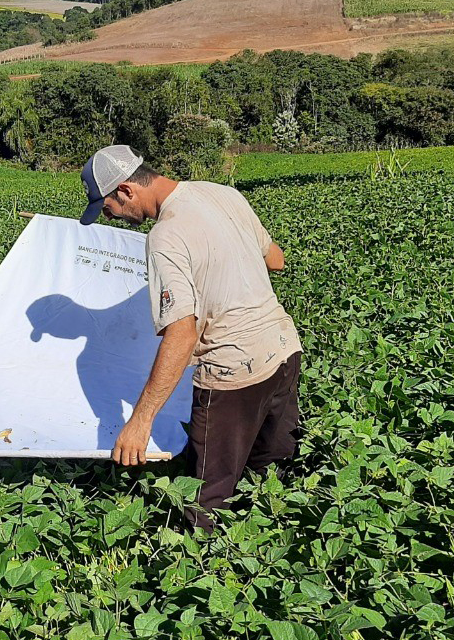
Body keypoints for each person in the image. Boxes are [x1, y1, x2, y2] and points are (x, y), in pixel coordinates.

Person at [79, 145, 302, 531]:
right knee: (271, 479)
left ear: (127, 190)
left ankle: (209, 574)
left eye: (108, 207)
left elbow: (183, 335)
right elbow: (275, 259)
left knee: (204, 504)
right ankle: (274, 552)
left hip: (233, 377)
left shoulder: (165, 237)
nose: (110, 216)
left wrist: (140, 421)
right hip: (284, 351)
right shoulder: (221, 193)